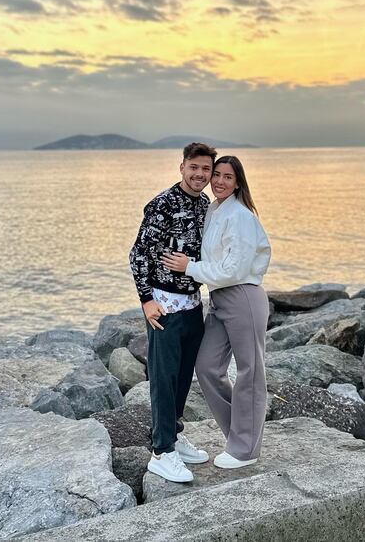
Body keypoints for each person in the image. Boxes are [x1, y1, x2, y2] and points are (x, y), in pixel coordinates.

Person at [162, 155, 271, 469]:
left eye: (228, 177)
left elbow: (234, 268)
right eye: (217, 175)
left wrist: (189, 267)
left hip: (243, 297)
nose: (220, 181)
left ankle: (245, 450)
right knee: (207, 366)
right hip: (220, 299)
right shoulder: (213, 210)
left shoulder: (240, 215)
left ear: (238, 182)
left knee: (250, 372)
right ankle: (239, 434)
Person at [129, 142, 217, 483]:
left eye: (205, 169)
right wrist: (146, 300)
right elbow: (138, 255)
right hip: (164, 306)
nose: (199, 174)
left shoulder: (204, 204)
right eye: (193, 167)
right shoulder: (161, 205)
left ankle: (174, 436)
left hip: (193, 304)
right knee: (163, 380)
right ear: (182, 167)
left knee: (182, 378)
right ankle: (161, 452)